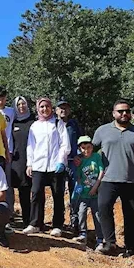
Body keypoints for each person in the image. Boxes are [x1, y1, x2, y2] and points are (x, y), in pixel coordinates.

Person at [92, 100, 134, 256]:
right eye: (120, 111)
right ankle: (110, 243)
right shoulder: (102, 130)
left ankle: (130, 247)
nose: (124, 114)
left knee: (131, 214)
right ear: (113, 113)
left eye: (126, 111)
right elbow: (90, 151)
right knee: (104, 207)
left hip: (133, 180)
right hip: (108, 179)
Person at [22, 97, 70, 236]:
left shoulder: (58, 123)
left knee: (58, 194)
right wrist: (29, 163)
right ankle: (35, 223)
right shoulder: (35, 126)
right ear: (38, 108)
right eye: (42, 107)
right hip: (39, 165)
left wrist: (61, 160)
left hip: (55, 165)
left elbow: (64, 143)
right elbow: (30, 146)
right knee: (36, 193)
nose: (44, 109)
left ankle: (57, 225)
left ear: (51, 108)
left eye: (47, 106)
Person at [55, 100, 83, 234]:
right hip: (57, 163)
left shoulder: (74, 125)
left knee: (75, 192)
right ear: (56, 110)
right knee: (58, 192)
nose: (63, 110)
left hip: (72, 162)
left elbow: (81, 141)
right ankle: (58, 222)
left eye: (66, 108)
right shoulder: (53, 124)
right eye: (60, 108)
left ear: (69, 111)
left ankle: (74, 222)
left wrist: (80, 155)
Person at [72, 136, 104, 249]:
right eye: (83, 148)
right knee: (81, 212)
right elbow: (79, 175)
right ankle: (83, 233)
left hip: (95, 193)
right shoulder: (79, 160)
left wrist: (96, 186)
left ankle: (100, 238)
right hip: (84, 193)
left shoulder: (96, 157)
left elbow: (101, 171)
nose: (86, 150)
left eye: (89, 147)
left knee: (97, 215)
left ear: (92, 147)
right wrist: (79, 185)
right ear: (80, 149)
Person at [10, 96, 35, 228]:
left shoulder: (34, 121)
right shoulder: (13, 123)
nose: (21, 106)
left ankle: (36, 221)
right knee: (23, 191)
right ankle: (25, 221)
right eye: (18, 104)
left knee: (35, 191)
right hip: (18, 161)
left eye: (23, 104)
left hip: (34, 160)